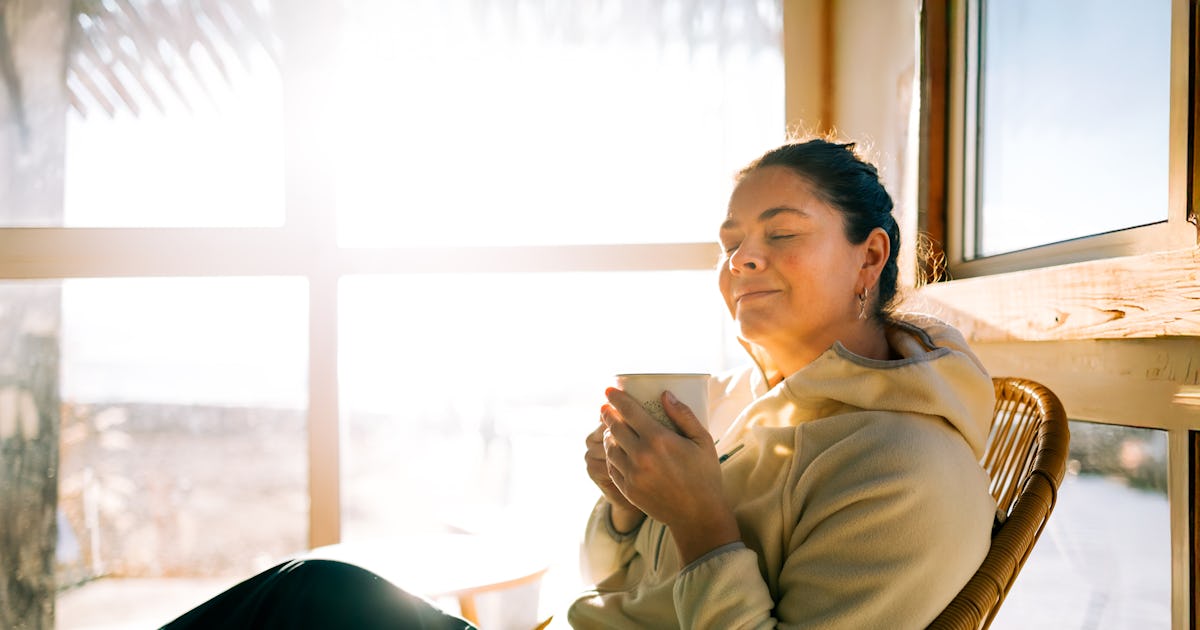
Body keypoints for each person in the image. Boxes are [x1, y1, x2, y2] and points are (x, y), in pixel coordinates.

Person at [161, 138, 995, 629]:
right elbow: (614, 584)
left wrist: (703, 519)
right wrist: (630, 505)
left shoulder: (907, 468)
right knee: (316, 593)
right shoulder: (746, 403)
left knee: (315, 605)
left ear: (871, 256)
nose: (742, 258)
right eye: (731, 239)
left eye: (781, 233)